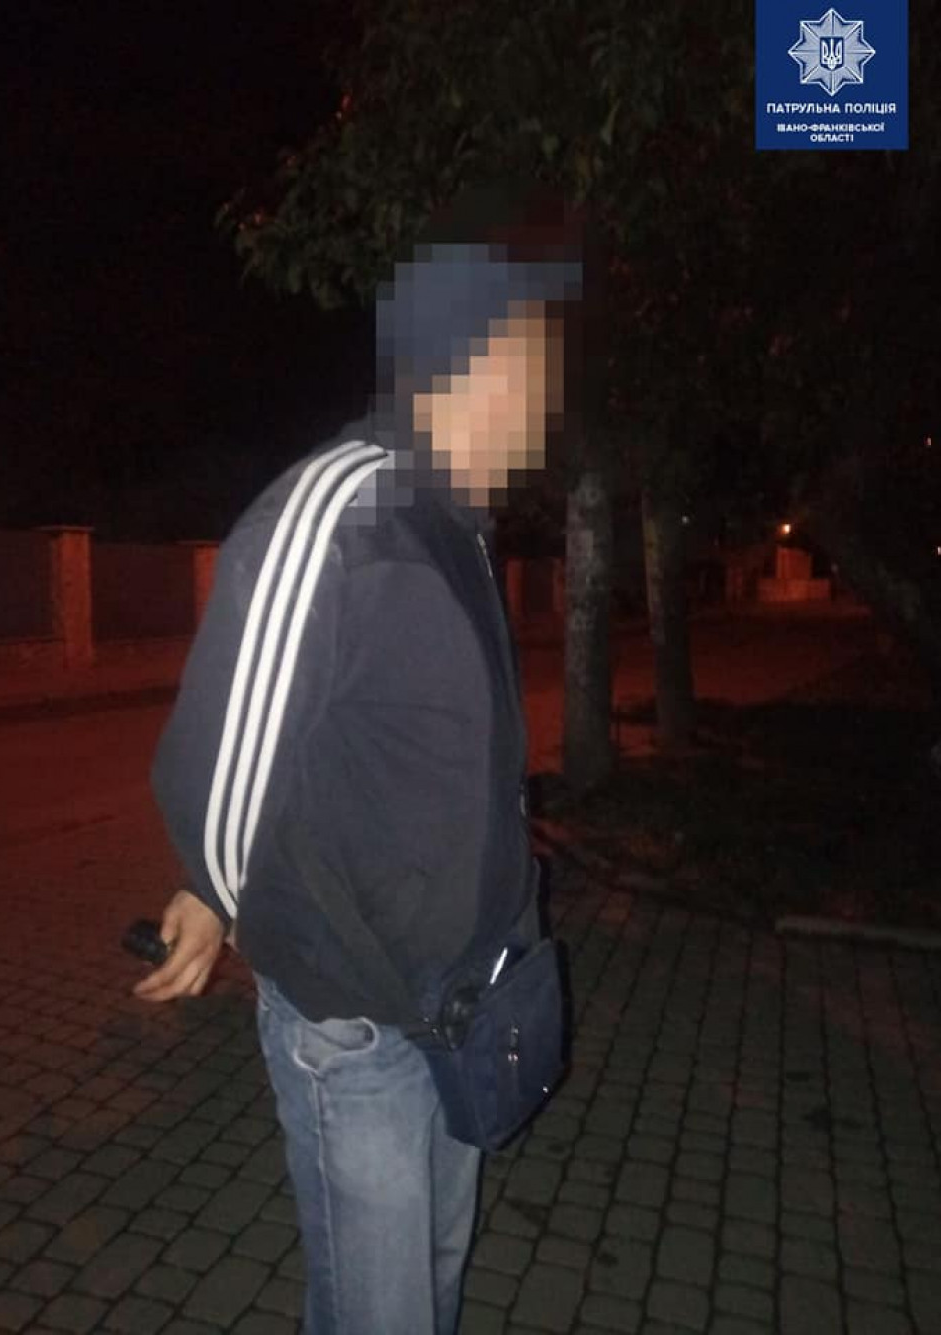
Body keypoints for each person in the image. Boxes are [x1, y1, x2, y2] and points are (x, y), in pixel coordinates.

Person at [134, 241, 580, 1335]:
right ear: (472, 362)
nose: (548, 408)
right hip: (359, 1020)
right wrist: (217, 888)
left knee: (433, 1273)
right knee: (384, 1312)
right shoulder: (340, 508)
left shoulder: (453, 523)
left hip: (459, 998)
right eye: (538, 371)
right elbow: (222, 754)